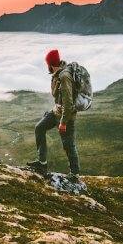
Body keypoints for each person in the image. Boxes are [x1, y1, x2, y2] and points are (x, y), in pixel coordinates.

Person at [26, 49, 80, 179]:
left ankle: (75, 174)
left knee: (68, 145)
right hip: (56, 112)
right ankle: (42, 163)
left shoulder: (64, 77)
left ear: (50, 64)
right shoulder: (58, 74)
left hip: (65, 117)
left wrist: (63, 122)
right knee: (39, 127)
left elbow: (68, 103)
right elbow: (59, 98)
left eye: (47, 64)